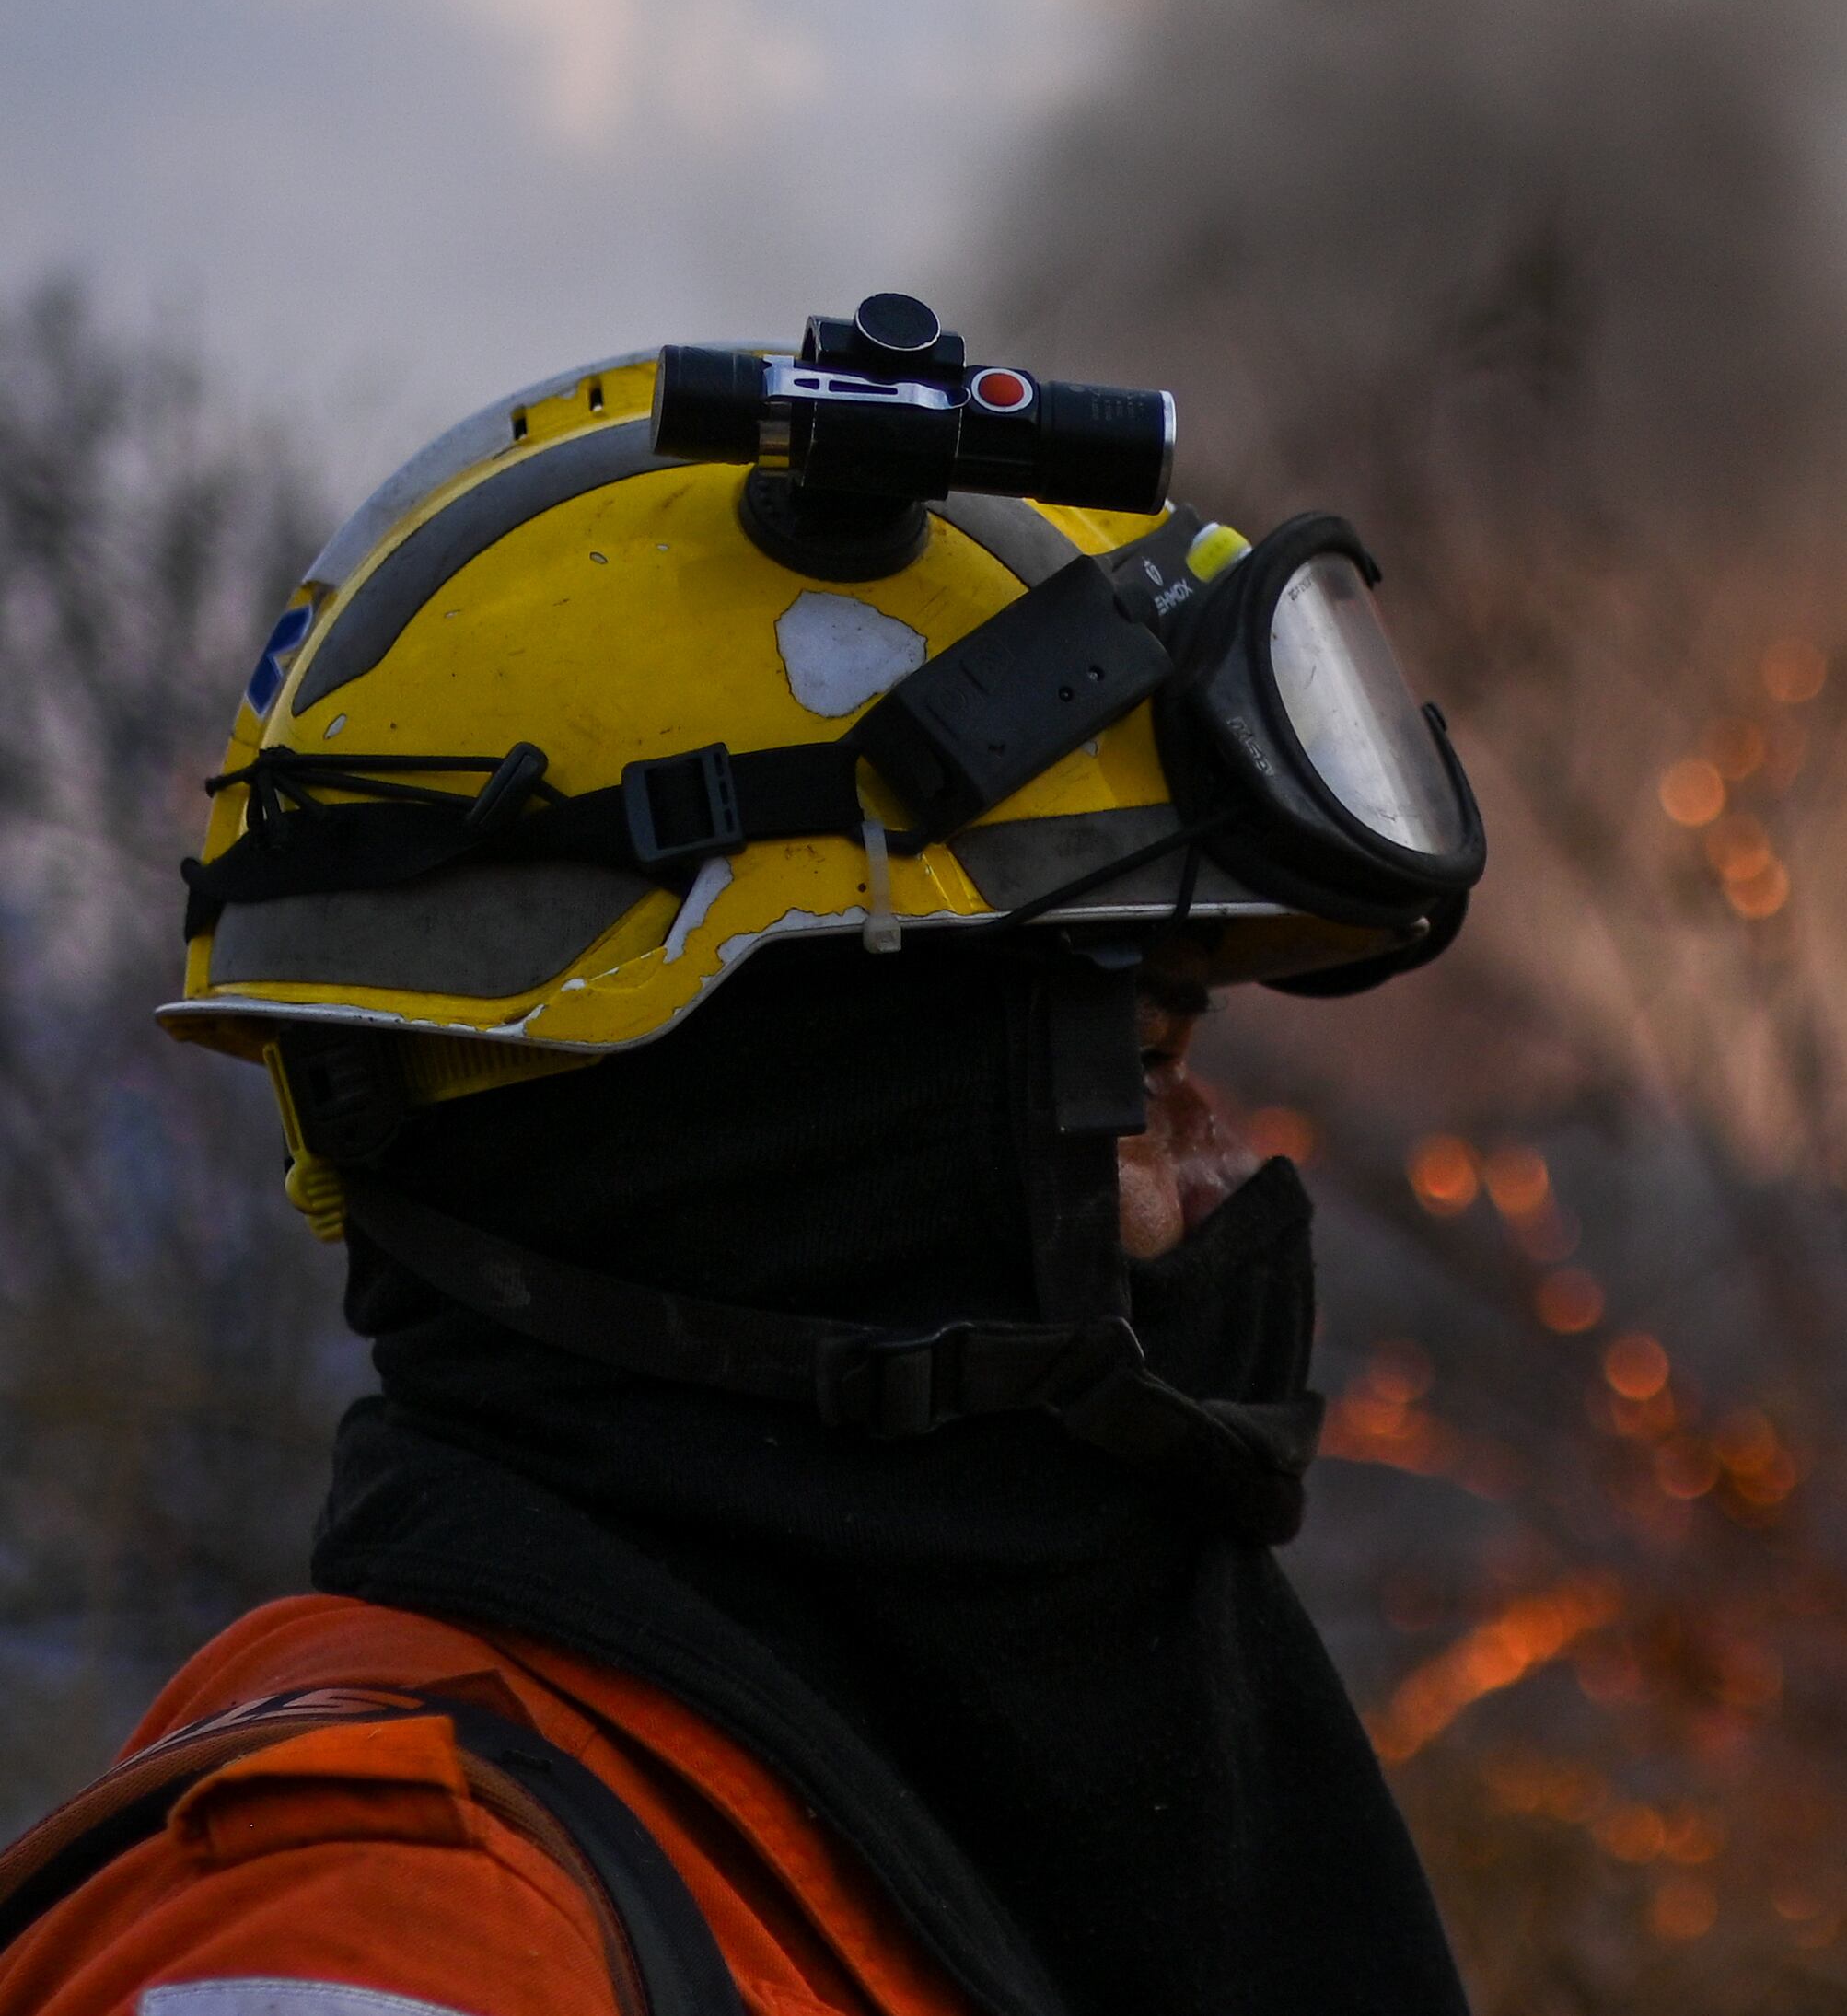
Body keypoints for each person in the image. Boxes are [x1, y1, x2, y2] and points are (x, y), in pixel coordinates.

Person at [0, 301, 1483, 2016]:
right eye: (1141, 1065)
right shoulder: (402, 1940)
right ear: (789, 1147)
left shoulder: (854, 1840)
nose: (1221, 1176)